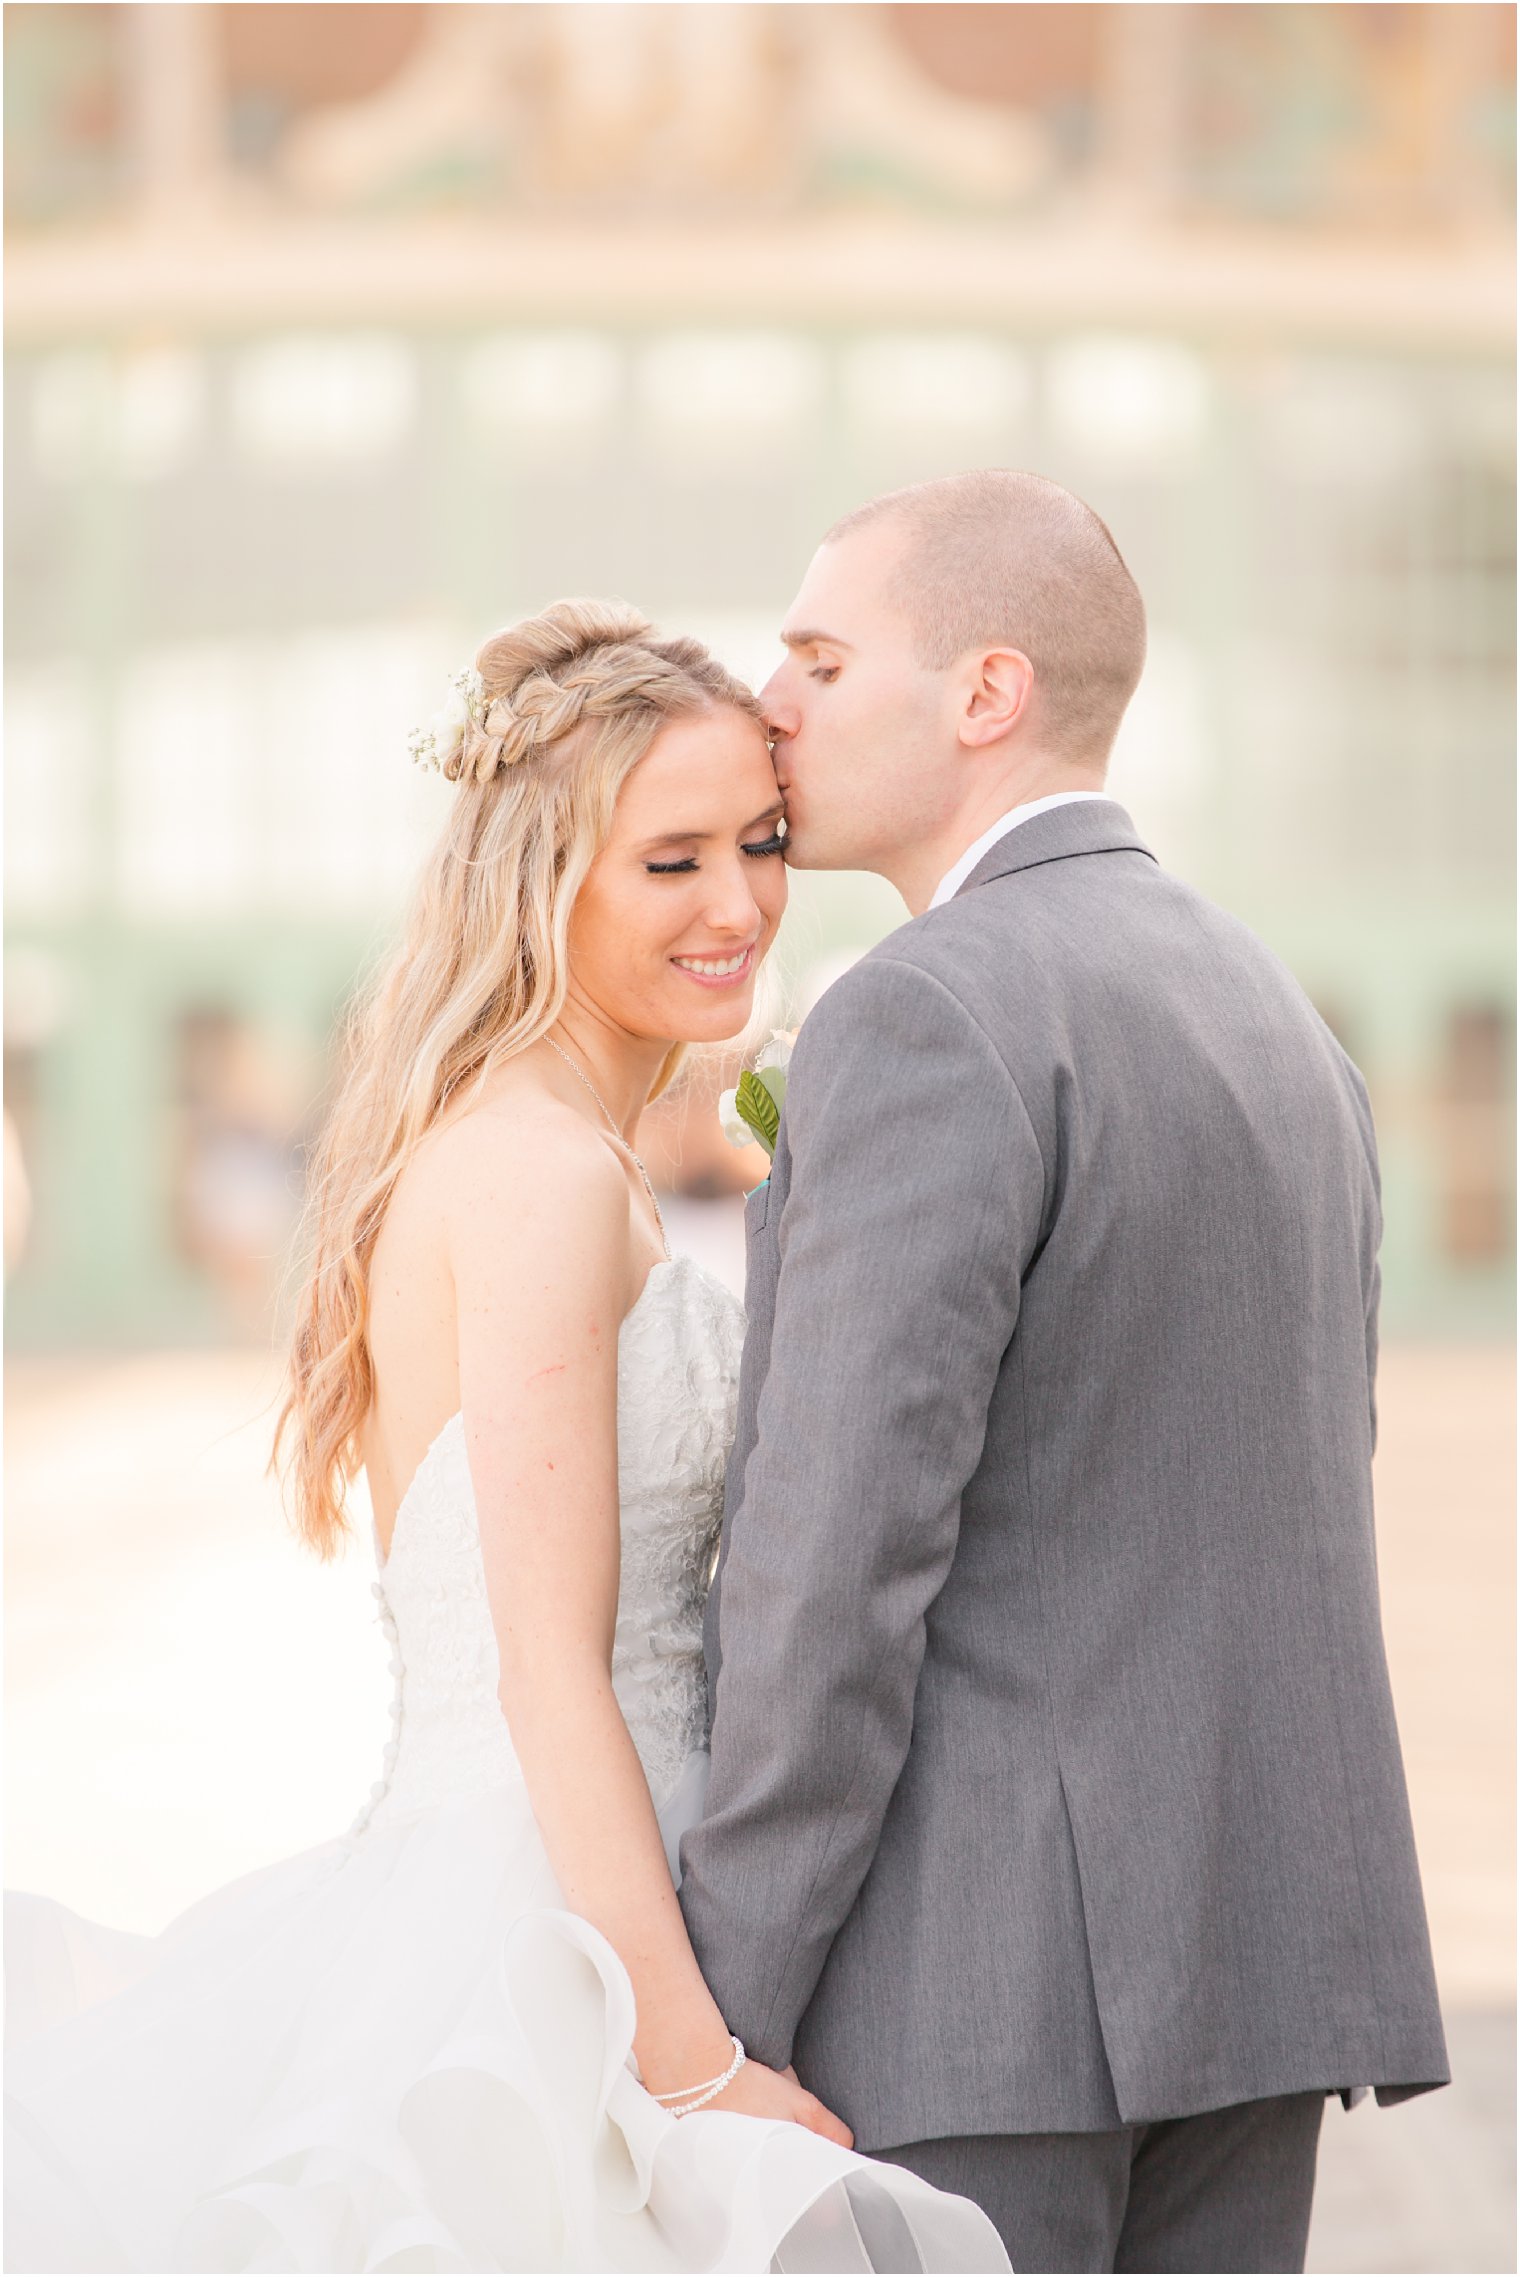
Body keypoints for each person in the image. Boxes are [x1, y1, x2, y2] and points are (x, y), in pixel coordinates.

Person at [3, 602, 1007, 2275]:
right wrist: (692, 2076)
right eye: (669, 860)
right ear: (546, 876)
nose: (743, 902)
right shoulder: (536, 1173)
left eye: (758, 844)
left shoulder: (542, 1145)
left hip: (578, 1880)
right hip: (544, 1936)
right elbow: (553, 1673)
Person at [679, 471, 1450, 2276]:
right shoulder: (1279, 1015)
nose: (772, 703)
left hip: (979, 1996)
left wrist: (720, 2008)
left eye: (819, 655)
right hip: (1257, 1972)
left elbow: (836, 1566)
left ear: (985, 694)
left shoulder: (928, 1009)